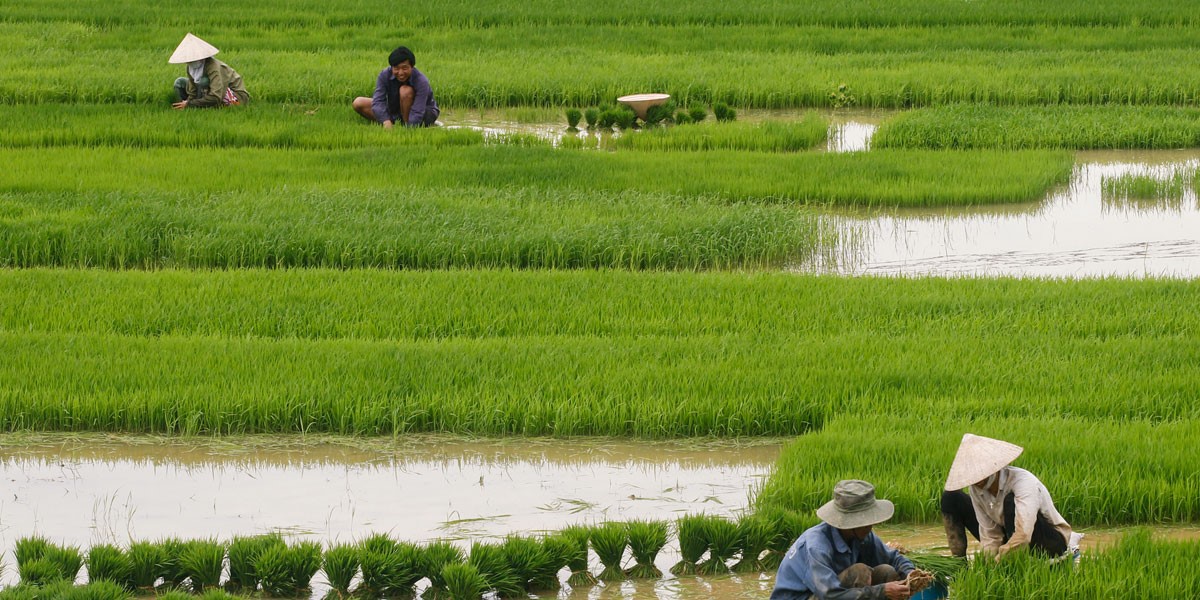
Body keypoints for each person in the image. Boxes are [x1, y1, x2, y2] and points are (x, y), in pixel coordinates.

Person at [941, 433, 1081, 560]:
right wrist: (988, 563)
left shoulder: (1023, 482)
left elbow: (1024, 533)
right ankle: (959, 564)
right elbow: (990, 534)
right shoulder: (976, 488)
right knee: (951, 498)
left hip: (1047, 540)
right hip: (1008, 535)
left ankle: (1019, 560)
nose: (976, 481)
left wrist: (1001, 557)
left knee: (1010, 502)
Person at [771, 480, 914, 600]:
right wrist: (881, 591)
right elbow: (830, 595)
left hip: (828, 593)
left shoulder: (862, 534)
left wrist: (911, 574)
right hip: (809, 596)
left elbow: (893, 558)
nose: (871, 526)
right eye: (866, 521)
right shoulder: (816, 547)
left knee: (886, 571)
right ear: (851, 523)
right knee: (860, 572)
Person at [353, 46, 440, 128]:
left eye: (405, 68)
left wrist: (410, 128)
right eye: (396, 68)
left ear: (412, 67)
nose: (401, 73)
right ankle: (393, 124)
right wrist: (385, 120)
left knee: (405, 91)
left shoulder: (421, 80)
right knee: (359, 102)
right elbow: (378, 101)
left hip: (424, 112)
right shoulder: (384, 75)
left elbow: (418, 110)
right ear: (392, 67)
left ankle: (407, 126)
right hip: (396, 109)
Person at [168, 33, 249, 109]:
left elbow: (216, 96)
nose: (189, 62)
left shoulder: (213, 67)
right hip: (207, 92)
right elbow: (192, 91)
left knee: (204, 81)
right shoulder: (191, 67)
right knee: (180, 82)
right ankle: (180, 106)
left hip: (233, 94)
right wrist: (189, 102)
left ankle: (203, 106)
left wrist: (190, 104)